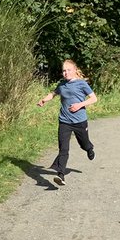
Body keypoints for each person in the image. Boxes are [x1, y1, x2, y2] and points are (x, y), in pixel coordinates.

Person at [36, 58, 97, 186]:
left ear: (75, 70)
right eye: (64, 71)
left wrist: (79, 105)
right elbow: (53, 94)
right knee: (63, 149)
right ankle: (60, 175)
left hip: (80, 121)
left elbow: (93, 99)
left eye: (68, 70)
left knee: (83, 144)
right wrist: (44, 100)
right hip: (64, 121)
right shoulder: (62, 84)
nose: (66, 73)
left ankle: (89, 148)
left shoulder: (81, 84)